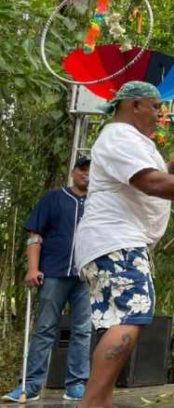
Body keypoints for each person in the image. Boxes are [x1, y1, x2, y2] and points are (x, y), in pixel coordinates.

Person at [73, 81, 174, 408]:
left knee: (121, 320)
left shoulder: (126, 139)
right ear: (134, 104)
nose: (160, 113)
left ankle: (99, 401)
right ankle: (92, 403)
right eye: (156, 106)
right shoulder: (118, 135)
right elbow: (150, 182)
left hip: (114, 242)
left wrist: (170, 168)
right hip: (116, 241)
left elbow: (145, 178)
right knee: (131, 318)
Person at [2, 157, 92, 403]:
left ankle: (76, 385)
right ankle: (30, 385)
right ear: (73, 172)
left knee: (83, 331)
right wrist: (32, 268)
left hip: (86, 276)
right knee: (44, 330)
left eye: (91, 171)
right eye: (82, 169)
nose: (87, 174)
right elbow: (35, 235)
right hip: (53, 273)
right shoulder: (53, 198)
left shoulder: (100, 202)